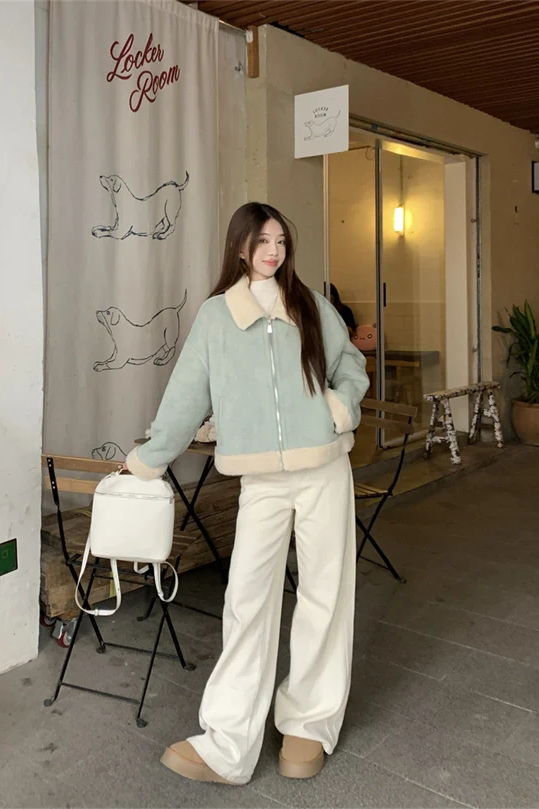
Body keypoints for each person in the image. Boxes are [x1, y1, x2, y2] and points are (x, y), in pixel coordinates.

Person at [126, 202, 369, 786]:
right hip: (261, 481)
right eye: (262, 241)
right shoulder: (217, 316)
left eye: (280, 240)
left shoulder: (309, 304)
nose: (273, 251)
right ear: (240, 246)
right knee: (246, 600)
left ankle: (309, 722)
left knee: (325, 593)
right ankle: (228, 742)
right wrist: (150, 458)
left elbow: (351, 365)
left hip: (323, 468)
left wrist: (339, 408)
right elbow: (186, 394)